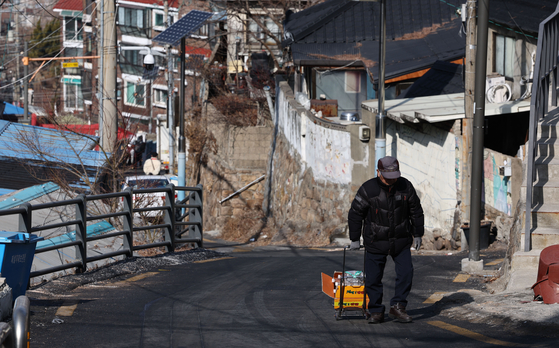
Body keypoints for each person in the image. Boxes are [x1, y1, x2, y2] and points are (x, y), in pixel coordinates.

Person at [347, 156, 424, 324]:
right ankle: (376, 311)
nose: (392, 180)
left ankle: (398, 307)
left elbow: (416, 211)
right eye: (388, 176)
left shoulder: (405, 186)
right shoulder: (368, 189)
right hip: (375, 241)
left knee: (406, 273)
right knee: (373, 278)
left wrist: (418, 233)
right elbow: (355, 214)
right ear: (378, 172)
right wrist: (354, 238)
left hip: (401, 240)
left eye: (395, 176)